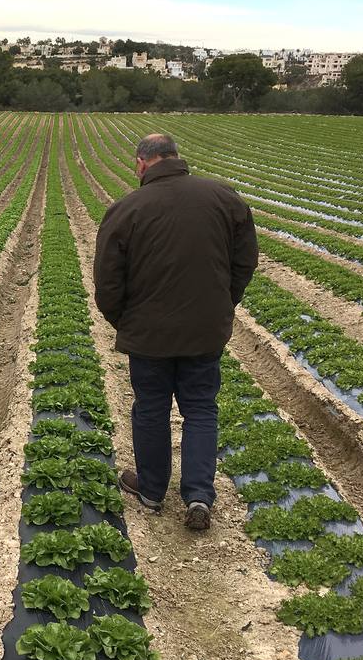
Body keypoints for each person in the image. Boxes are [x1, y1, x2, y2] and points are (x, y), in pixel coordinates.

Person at [93, 134, 258, 531]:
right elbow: (244, 262)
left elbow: (108, 284)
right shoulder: (225, 199)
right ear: (175, 157)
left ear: (143, 163)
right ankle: (199, 496)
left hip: (149, 335)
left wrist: (125, 320)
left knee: (151, 408)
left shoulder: (127, 209)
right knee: (200, 408)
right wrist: (221, 305)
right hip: (205, 331)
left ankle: (151, 491)